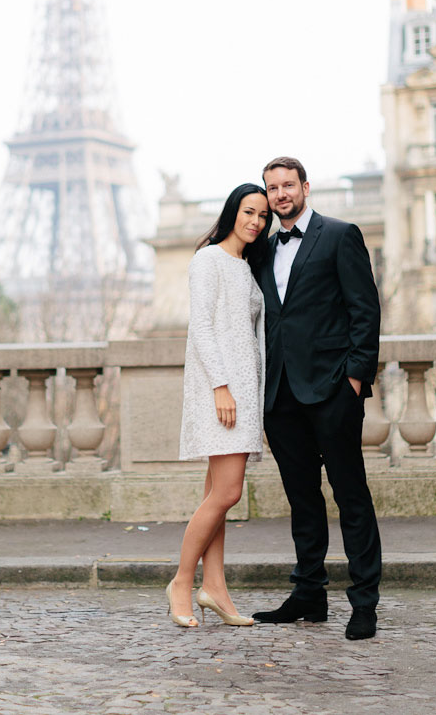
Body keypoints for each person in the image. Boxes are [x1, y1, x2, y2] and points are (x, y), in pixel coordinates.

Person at [252, 156, 382, 641]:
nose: (281, 194)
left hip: (332, 390)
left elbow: (364, 311)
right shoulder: (262, 251)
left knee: (351, 497)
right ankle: (309, 595)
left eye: (288, 185)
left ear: (305, 187)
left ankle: (364, 603)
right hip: (281, 394)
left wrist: (354, 380)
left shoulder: (339, 234)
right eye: (272, 188)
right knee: (302, 499)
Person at [167, 182, 272, 628]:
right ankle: (180, 581)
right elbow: (202, 330)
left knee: (217, 496)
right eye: (249, 211)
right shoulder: (208, 260)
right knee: (228, 493)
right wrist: (222, 387)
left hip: (244, 394)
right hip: (224, 393)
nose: (255, 221)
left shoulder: (244, 266)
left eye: (263, 216)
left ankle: (215, 588)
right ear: (232, 211)